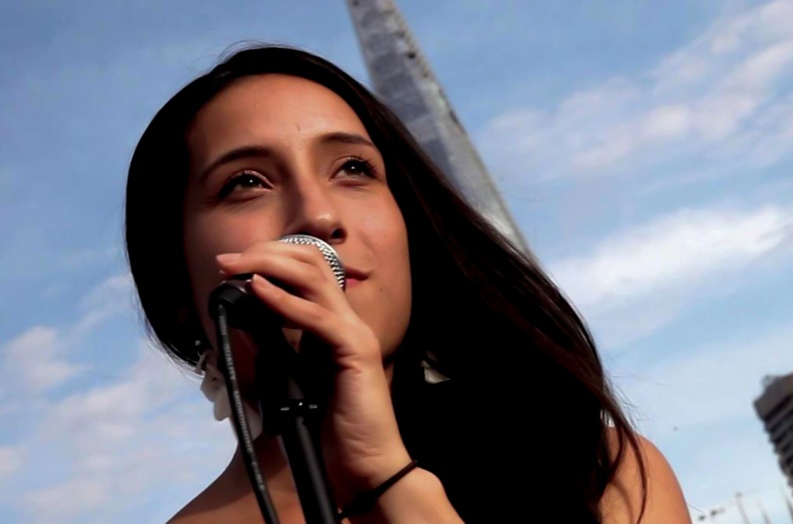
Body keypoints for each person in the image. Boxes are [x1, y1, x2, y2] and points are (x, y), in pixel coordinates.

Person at [125, 45, 691, 523]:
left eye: (354, 168)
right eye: (246, 182)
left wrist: (389, 480)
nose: (319, 216)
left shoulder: (597, 473)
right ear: (177, 292)